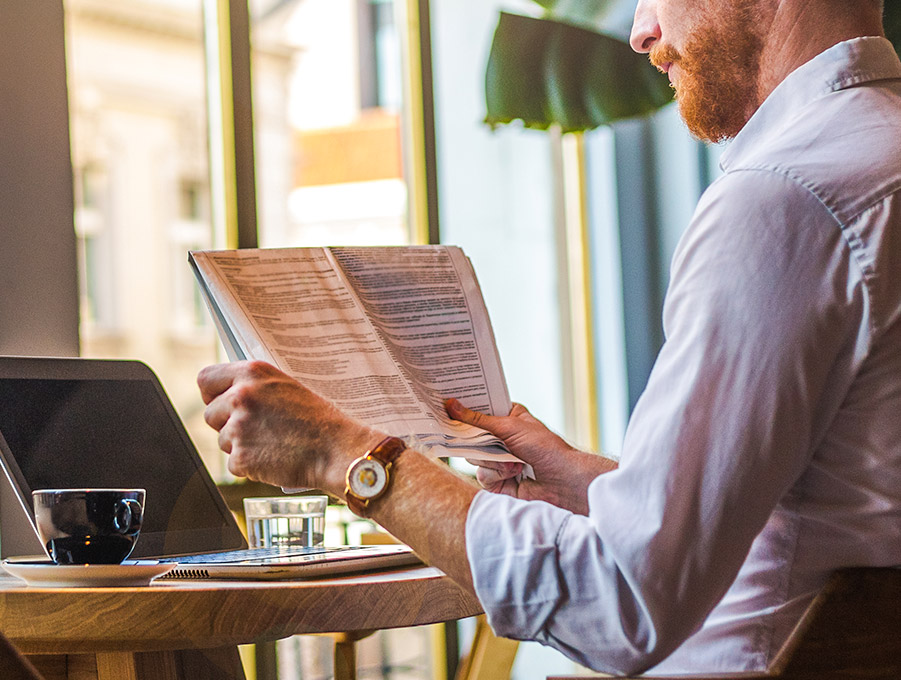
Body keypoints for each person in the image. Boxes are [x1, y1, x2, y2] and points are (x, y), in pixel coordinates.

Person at [197, 0, 901, 674]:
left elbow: (621, 604)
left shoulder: (784, 201)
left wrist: (345, 455)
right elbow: (836, 499)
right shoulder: (878, 157)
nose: (639, 30)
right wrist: (594, 486)